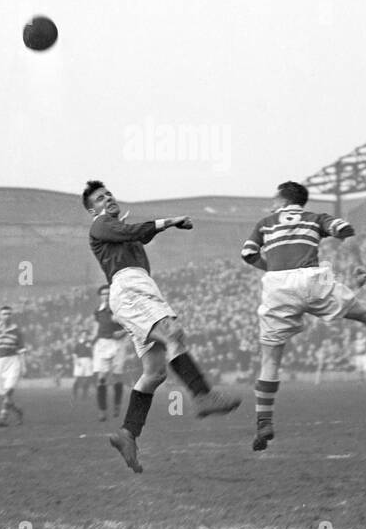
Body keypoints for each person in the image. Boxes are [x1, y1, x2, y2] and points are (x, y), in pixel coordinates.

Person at [241, 181, 366, 452]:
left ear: (283, 199)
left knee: (271, 357)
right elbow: (346, 230)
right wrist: (358, 264)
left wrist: (271, 267)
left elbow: (248, 254)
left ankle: (264, 422)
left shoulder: (265, 222)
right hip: (311, 279)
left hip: (277, 286)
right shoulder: (314, 217)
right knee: (363, 313)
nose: (273, 203)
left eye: (275, 199)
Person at [82, 180, 240, 474]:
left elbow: (138, 237)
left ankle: (128, 433)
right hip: (130, 288)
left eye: (109, 194)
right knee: (172, 334)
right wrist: (170, 221)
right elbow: (137, 232)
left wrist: (148, 230)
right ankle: (202, 395)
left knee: (154, 374)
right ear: (92, 210)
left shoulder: (114, 229)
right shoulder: (100, 225)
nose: (108, 199)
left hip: (135, 290)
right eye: (100, 198)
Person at [92, 283, 128, 421]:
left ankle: (117, 405)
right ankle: (102, 410)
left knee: (117, 376)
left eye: (108, 293)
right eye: (103, 294)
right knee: (101, 378)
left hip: (118, 344)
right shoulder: (98, 311)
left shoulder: (119, 310)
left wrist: (122, 333)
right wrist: (92, 339)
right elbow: (96, 328)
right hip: (102, 345)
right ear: (100, 297)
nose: (106, 296)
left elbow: (129, 326)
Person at [0, 304, 26, 427]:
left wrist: (24, 366)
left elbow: (21, 350)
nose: (7, 316)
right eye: (4, 314)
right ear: (0, 316)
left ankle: (2, 418)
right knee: (5, 394)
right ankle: (18, 411)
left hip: (13, 362)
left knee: (9, 391)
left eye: (9, 314)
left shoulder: (16, 331)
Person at [71, 328, 95, 403]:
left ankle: (84, 395)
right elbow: (74, 353)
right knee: (78, 378)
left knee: (88, 378)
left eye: (86, 334)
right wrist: (76, 360)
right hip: (80, 360)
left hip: (88, 361)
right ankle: (74, 394)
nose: (84, 336)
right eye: (83, 334)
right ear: (81, 335)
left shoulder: (90, 343)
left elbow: (93, 352)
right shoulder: (78, 343)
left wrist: (92, 361)